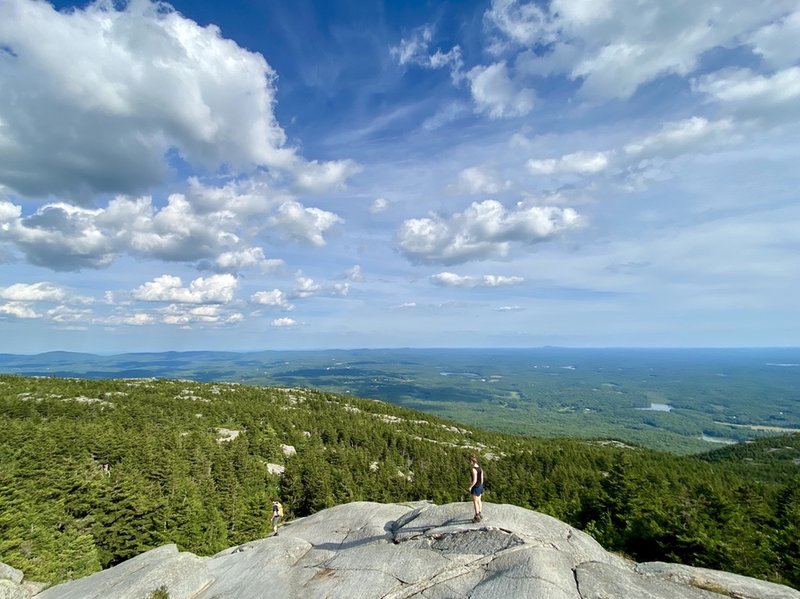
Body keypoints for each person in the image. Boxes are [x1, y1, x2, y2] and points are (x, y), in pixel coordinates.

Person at [467, 454, 484, 523]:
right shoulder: (480, 468)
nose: (469, 462)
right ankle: (480, 513)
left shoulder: (474, 469)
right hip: (480, 486)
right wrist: (481, 485)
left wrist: (470, 487)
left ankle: (477, 516)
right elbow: (482, 479)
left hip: (476, 486)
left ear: (472, 461)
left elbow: (475, 480)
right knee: (479, 500)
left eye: (469, 461)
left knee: (475, 502)